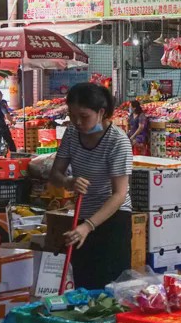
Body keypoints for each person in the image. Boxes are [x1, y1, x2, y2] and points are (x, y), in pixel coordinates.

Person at [48, 83, 134, 289]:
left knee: (109, 287)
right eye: (72, 115)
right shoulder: (71, 134)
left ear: (101, 112)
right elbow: (55, 174)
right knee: (83, 282)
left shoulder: (117, 142)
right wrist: (69, 181)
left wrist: (88, 226)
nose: (77, 122)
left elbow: (119, 194)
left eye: (84, 116)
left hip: (112, 218)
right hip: (82, 215)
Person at [0, 90, 17, 154]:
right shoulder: (1, 103)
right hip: (1, 127)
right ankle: (14, 154)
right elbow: (6, 115)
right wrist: (12, 121)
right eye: (2, 95)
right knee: (10, 142)